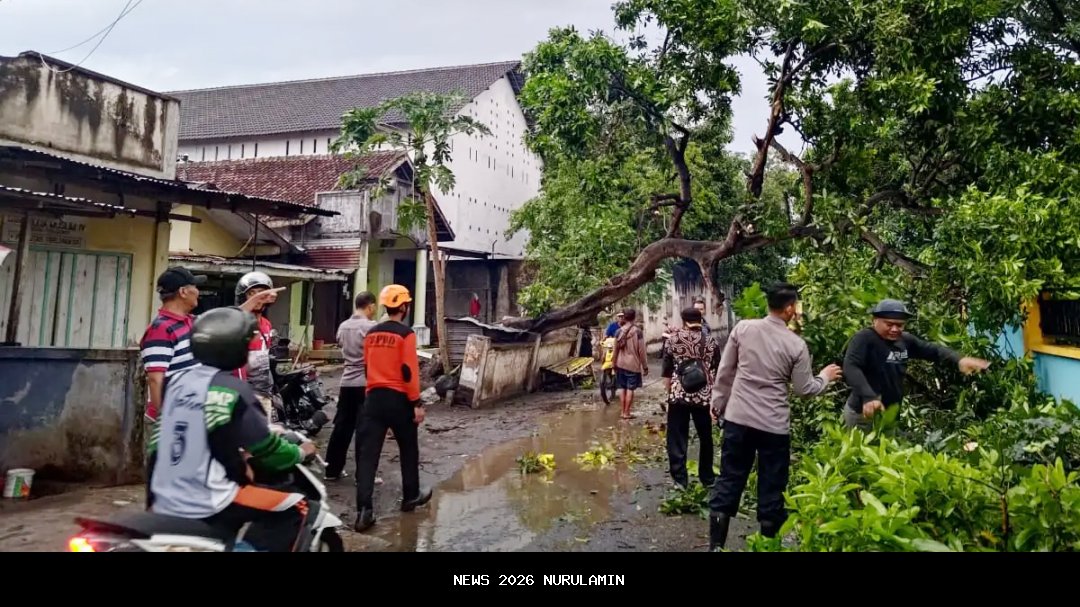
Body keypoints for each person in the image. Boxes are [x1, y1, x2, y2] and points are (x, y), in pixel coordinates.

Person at [146, 306, 317, 552]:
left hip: (160, 495)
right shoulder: (235, 391)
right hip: (208, 498)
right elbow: (267, 449)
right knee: (296, 507)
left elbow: (184, 435)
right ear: (236, 350)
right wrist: (301, 453)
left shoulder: (176, 384)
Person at [708, 283, 843, 551]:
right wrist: (824, 377)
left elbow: (726, 372)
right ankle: (768, 546)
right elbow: (805, 390)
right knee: (772, 487)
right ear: (791, 308)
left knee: (729, 479)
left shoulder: (744, 328)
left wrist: (718, 403)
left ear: (769, 303)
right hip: (773, 426)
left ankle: (716, 547)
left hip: (739, 419)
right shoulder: (796, 344)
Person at [843, 299, 990, 431]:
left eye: (899, 325)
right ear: (874, 320)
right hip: (863, 414)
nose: (894, 329)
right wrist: (869, 397)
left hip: (889, 414)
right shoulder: (864, 339)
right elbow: (851, 367)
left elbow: (933, 350)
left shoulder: (904, 341)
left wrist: (959, 359)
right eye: (889, 324)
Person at [354, 284, 432, 532]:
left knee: (368, 456)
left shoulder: (371, 334)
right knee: (408, 447)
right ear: (405, 307)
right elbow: (409, 372)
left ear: (387, 306)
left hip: (374, 398)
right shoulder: (406, 334)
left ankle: (364, 512)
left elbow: (367, 368)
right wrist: (416, 403)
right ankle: (410, 496)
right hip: (399, 399)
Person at [323, 291, 378, 481]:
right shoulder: (372, 327)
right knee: (365, 429)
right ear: (370, 306)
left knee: (341, 426)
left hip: (346, 382)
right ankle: (362, 475)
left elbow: (340, 343)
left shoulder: (343, 326)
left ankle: (332, 470)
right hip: (365, 382)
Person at [140, 267, 207, 423]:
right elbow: (155, 380)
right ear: (183, 292)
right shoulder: (161, 329)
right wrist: (166, 421)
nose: (198, 292)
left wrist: (255, 300)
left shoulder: (189, 321)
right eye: (195, 287)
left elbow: (226, 320)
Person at [662, 307, 718, 489]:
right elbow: (715, 370)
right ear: (700, 320)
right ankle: (707, 478)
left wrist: (669, 392)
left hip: (679, 394)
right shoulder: (711, 341)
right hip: (704, 396)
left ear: (683, 320)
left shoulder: (673, 341)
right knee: (705, 437)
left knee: (677, 436)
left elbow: (667, 371)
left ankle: (680, 480)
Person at [233, 272, 279, 419]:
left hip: (264, 393)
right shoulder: (238, 323)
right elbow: (232, 315)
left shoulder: (266, 324)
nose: (257, 298)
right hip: (245, 395)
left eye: (261, 293)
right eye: (252, 294)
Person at [613, 308, 649, 421]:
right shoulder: (637, 332)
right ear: (634, 317)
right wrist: (645, 366)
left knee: (622, 388)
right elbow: (641, 351)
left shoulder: (618, 332)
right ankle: (627, 413)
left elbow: (615, 350)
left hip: (620, 363)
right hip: (633, 365)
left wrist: (614, 363)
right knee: (630, 389)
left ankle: (622, 412)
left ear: (624, 317)